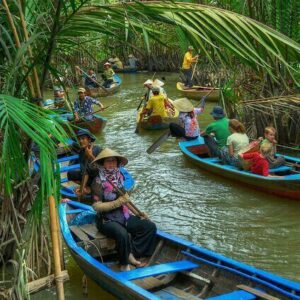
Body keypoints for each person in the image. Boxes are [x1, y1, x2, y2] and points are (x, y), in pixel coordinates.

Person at [91, 148, 157, 271]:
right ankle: (124, 263)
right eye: (108, 161)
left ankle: (131, 253)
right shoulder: (98, 181)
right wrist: (116, 203)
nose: (111, 164)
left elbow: (125, 200)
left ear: (117, 163)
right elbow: (96, 206)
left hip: (123, 215)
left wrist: (139, 213)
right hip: (106, 219)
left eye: (113, 161)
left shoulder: (119, 177)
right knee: (122, 234)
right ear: (103, 163)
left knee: (149, 226)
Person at [67, 129, 102, 199]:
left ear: (89, 140)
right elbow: (85, 172)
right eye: (79, 139)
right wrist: (82, 189)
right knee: (70, 174)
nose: (80, 141)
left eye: (83, 139)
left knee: (96, 186)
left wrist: (91, 156)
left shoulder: (97, 149)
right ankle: (87, 187)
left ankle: (90, 189)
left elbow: (102, 168)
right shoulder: (81, 152)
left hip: (99, 177)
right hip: (89, 176)